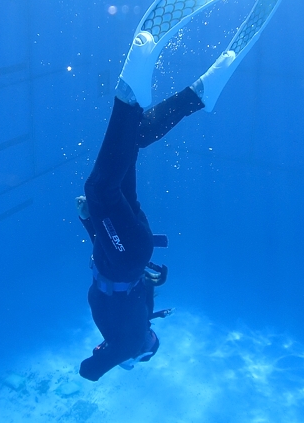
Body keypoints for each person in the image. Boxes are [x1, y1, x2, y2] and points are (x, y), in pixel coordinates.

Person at [78, 31, 239, 381]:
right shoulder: (129, 343)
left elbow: (106, 248)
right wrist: (125, 354)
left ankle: (198, 96)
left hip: (129, 248)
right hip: (129, 254)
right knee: (99, 189)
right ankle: (129, 96)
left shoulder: (131, 318)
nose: (147, 338)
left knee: (129, 145)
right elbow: (88, 372)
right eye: (149, 342)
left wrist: (89, 223)